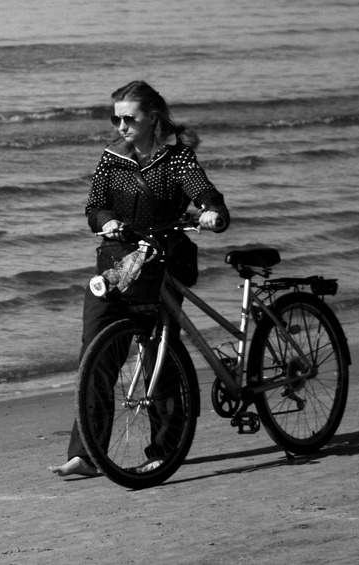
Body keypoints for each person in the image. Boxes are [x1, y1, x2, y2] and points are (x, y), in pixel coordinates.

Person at [50, 80, 230, 478]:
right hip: (116, 268)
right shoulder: (111, 157)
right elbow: (94, 207)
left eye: (129, 117)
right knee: (95, 356)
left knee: (158, 359)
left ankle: (165, 449)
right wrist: (107, 219)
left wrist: (211, 213)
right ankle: (89, 454)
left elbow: (205, 193)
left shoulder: (177, 159)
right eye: (115, 117)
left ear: (153, 118)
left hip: (161, 263)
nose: (120, 125)